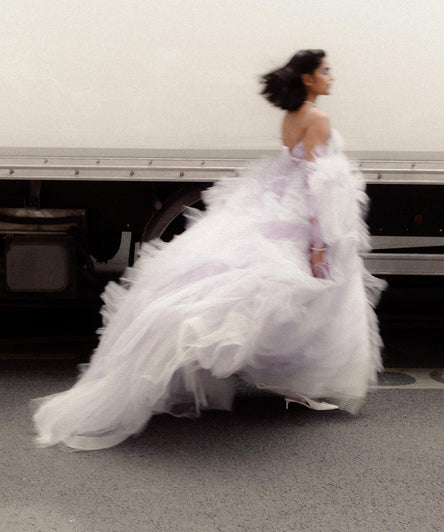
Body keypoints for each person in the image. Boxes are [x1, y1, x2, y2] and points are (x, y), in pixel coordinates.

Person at [33, 49, 384, 450]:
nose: (332, 77)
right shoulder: (317, 117)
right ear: (308, 78)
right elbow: (317, 182)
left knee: (279, 294)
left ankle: (292, 385)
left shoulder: (292, 116)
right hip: (301, 213)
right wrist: (320, 243)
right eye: (325, 71)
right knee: (301, 295)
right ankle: (296, 383)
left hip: (278, 203)